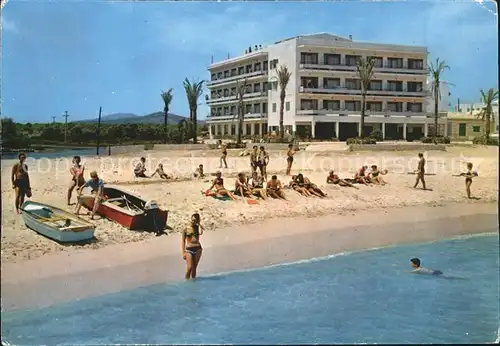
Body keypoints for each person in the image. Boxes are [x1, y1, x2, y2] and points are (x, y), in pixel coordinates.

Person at [181, 213, 204, 280]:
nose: (193, 222)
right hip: (189, 250)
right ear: (191, 219)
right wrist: (183, 252)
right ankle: (186, 282)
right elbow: (183, 241)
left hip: (198, 249)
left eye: (195, 220)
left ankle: (193, 283)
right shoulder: (186, 229)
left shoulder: (198, 228)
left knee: (194, 268)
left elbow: (201, 232)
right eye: (192, 220)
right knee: (189, 267)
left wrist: (199, 224)